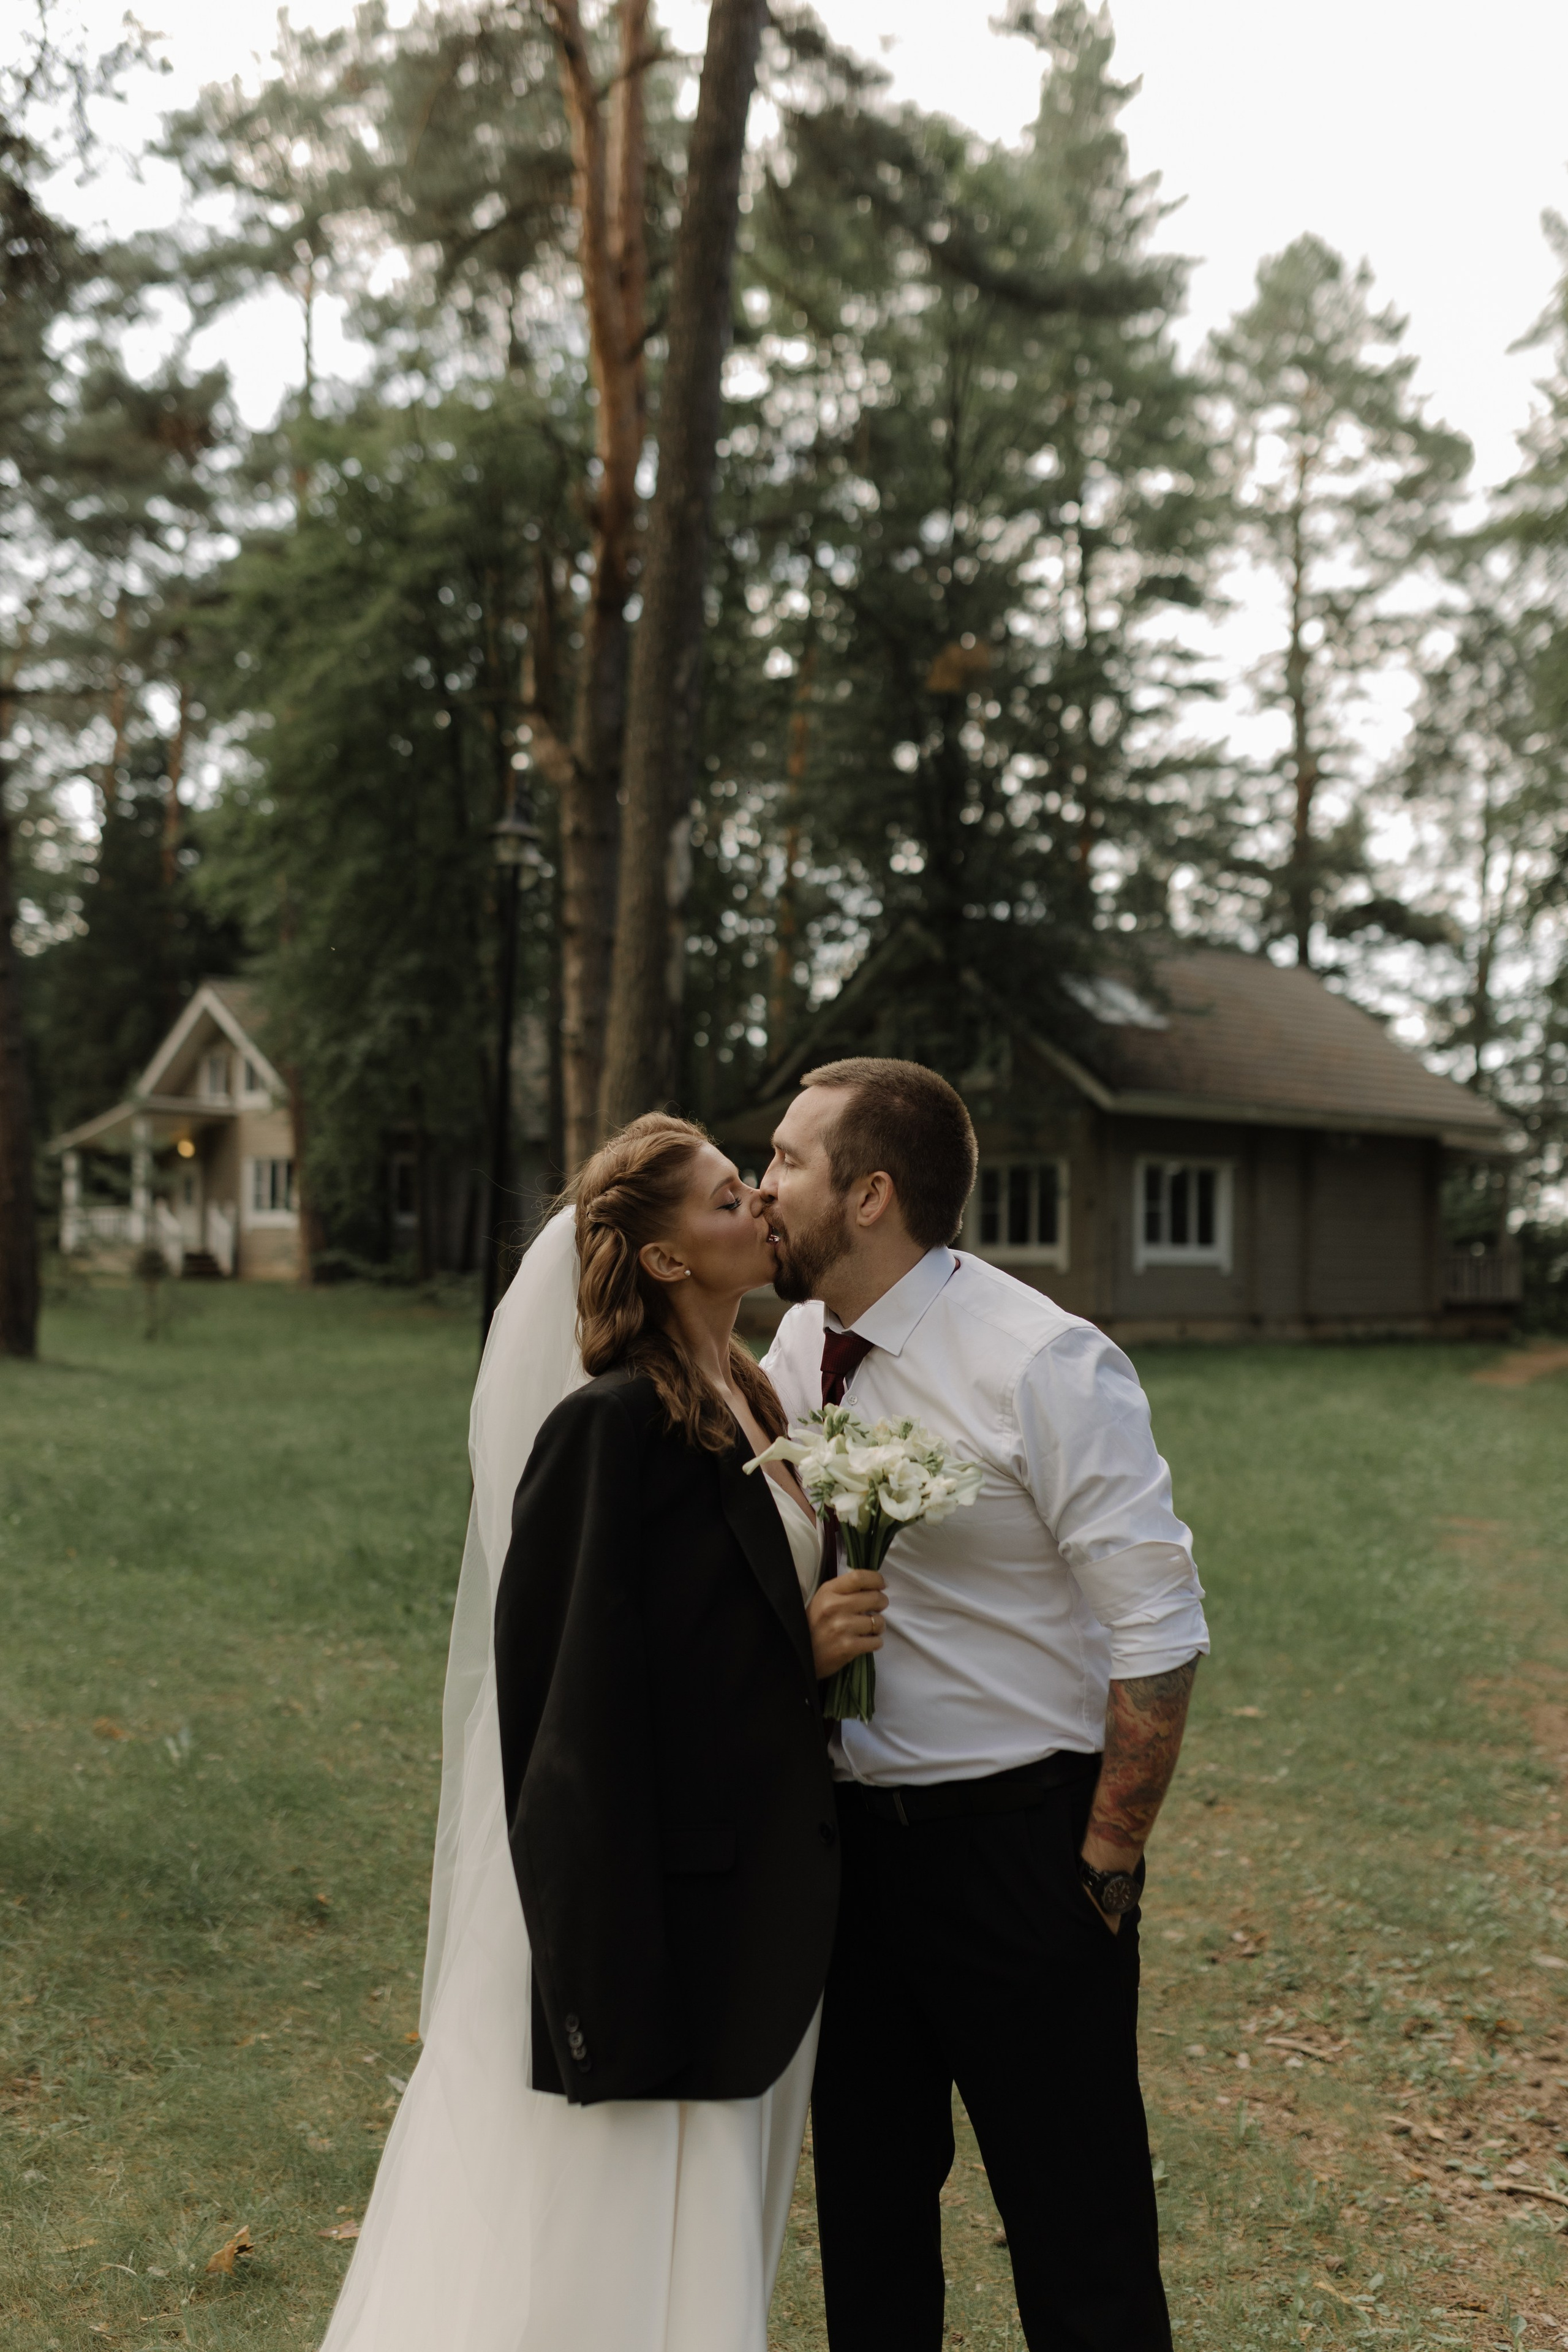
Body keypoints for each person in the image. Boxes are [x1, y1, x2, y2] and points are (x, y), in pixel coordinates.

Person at [319, 1113, 863, 2352]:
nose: (760, 1209)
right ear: (667, 1260)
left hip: (748, 1898)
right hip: (644, 1922)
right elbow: (575, 1713)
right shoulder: (608, 1431)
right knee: (598, 2249)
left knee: (706, 2229)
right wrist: (803, 1655)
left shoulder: (755, 1396)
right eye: (730, 1199)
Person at [755, 1058, 1210, 2352]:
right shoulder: (800, 1343)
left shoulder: (1045, 1364)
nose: (759, 1182)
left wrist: (1105, 1859)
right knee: (870, 2230)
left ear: (870, 1195)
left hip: (1020, 1852)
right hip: (847, 1866)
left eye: (786, 1160)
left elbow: (1157, 1630)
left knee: (1081, 2241)